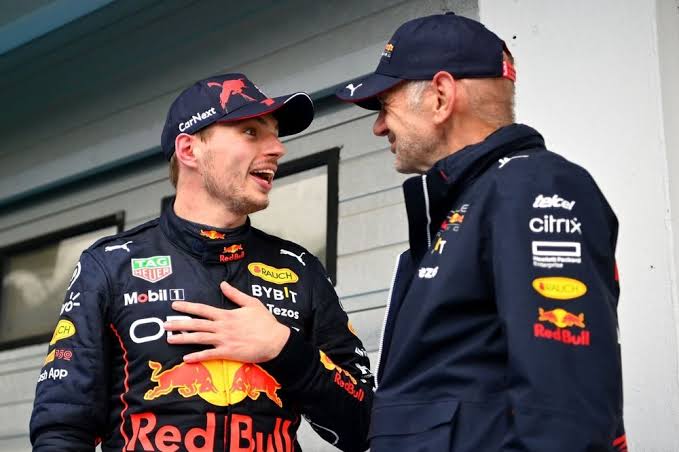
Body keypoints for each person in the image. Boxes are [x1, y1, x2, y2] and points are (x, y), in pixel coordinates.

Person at [30, 73, 373, 451]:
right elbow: (62, 429)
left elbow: (365, 424)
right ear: (189, 150)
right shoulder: (110, 265)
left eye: (275, 135)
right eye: (251, 132)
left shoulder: (300, 269)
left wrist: (284, 348)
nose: (278, 148)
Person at [336, 12, 626, 452]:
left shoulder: (533, 187)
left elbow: (565, 411)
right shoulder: (465, 209)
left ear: (440, 96)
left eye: (384, 106)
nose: (378, 127)